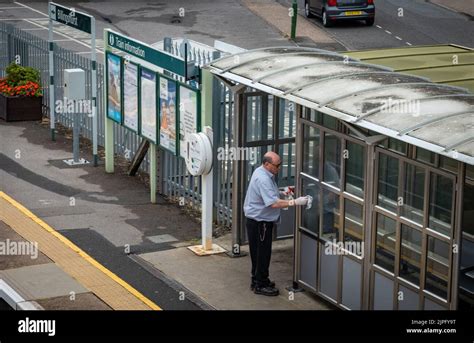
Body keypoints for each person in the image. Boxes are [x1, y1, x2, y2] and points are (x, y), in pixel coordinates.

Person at [243, 151, 309, 296]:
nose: (279, 167)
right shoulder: (263, 179)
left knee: (258, 252)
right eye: (277, 165)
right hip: (261, 222)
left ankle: (259, 280)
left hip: (257, 221)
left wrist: (282, 193)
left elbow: (269, 194)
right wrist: (295, 202)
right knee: (262, 254)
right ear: (267, 164)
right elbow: (272, 203)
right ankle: (260, 284)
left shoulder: (262, 172)